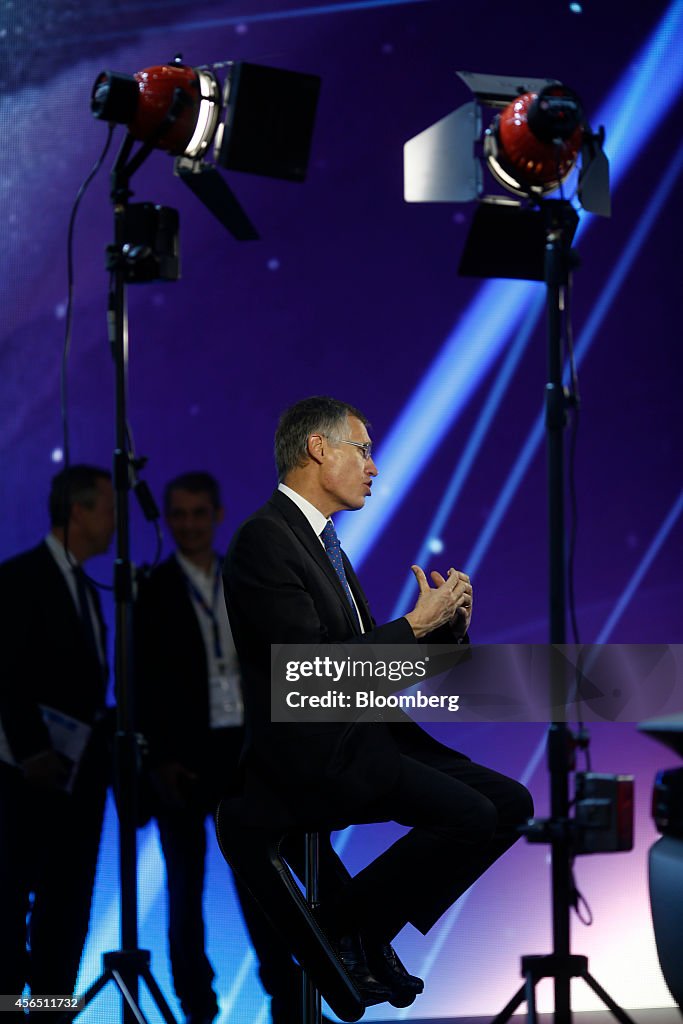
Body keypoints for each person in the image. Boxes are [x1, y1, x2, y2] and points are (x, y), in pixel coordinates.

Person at [222, 396, 534, 1006]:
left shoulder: (321, 543)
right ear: (318, 448)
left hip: (367, 735)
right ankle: (352, 931)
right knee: (469, 816)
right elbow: (311, 677)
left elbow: (370, 670)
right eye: (363, 449)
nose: (373, 467)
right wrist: (414, 628)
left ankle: (354, 930)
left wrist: (444, 630)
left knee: (510, 802)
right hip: (315, 751)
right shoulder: (265, 539)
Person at [135, 472, 317, 1024]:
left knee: (265, 886)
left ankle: (288, 998)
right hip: (184, 762)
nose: (187, 525)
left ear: (217, 515)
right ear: (168, 519)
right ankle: (196, 1008)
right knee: (186, 893)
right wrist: (160, 759)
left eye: (198, 513)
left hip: (246, 753)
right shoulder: (152, 588)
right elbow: (141, 681)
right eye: (178, 515)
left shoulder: (243, 575)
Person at [0, 464, 115, 1014]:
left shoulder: (89, 591)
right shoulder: (19, 577)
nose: (116, 522)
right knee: (10, 908)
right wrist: (32, 753)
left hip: (79, 786)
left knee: (66, 914)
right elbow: (5, 674)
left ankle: (48, 1014)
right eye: (108, 509)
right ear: (79, 510)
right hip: (25, 781)